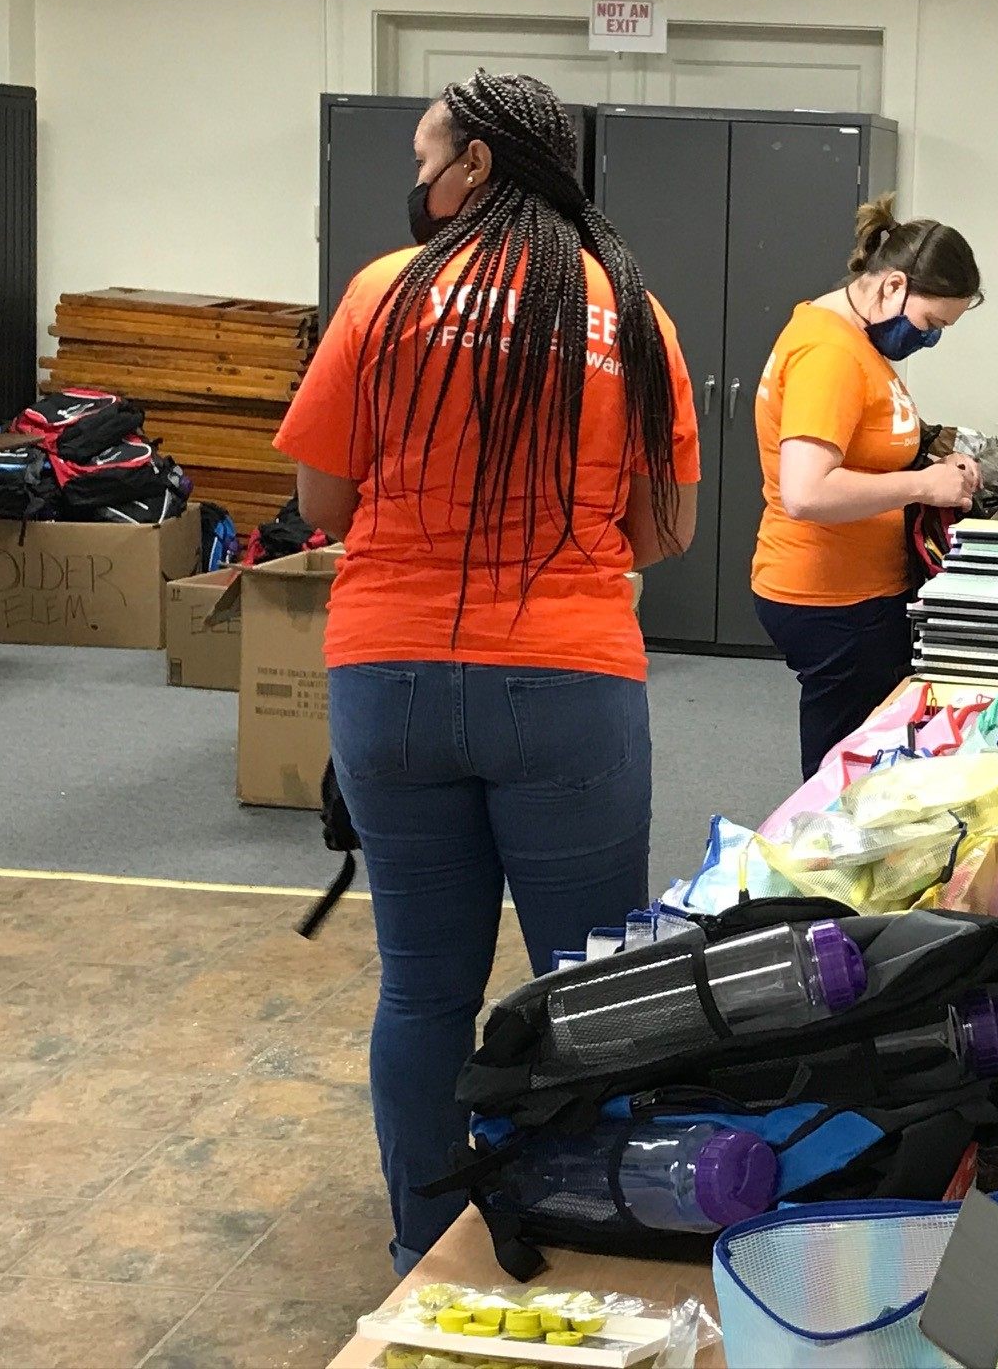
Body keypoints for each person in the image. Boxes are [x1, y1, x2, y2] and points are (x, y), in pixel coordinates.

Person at [273, 70, 699, 1271]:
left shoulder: (384, 294)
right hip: (568, 676)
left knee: (422, 990)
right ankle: (576, 1227)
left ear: (479, 168)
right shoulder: (631, 313)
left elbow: (320, 499)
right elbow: (665, 530)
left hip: (390, 672)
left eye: (425, 161)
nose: (415, 183)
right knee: (588, 992)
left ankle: (426, 1247)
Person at [751, 195, 983, 779]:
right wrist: (923, 486)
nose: (929, 339)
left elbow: (868, 441)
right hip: (829, 597)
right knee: (844, 783)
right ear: (892, 287)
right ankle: (825, 868)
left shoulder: (859, 344)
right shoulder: (828, 353)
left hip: (858, 591)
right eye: (931, 323)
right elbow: (806, 491)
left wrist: (935, 459)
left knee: (867, 762)